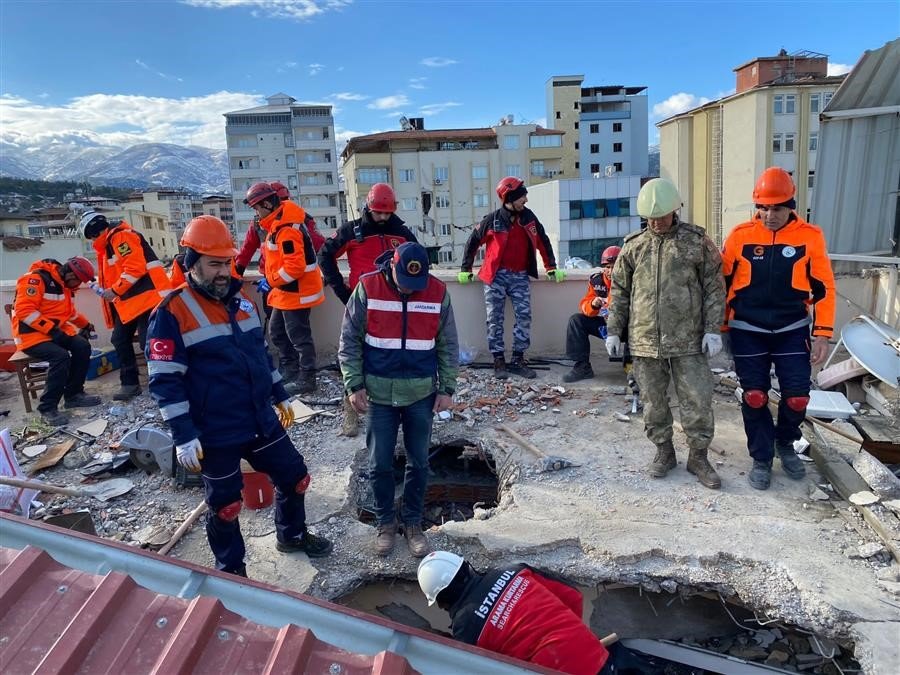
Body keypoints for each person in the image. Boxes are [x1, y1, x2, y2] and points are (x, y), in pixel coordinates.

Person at [146, 215, 332, 576]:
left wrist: (280, 394)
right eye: (214, 264)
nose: (222, 272)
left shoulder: (243, 300)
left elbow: (262, 354)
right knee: (226, 506)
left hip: (259, 418)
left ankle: (291, 535)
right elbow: (165, 382)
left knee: (296, 477)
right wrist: (183, 435)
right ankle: (231, 573)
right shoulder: (171, 313)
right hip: (214, 431)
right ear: (191, 262)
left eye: (226, 262)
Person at [339, 242, 458, 558]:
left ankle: (413, 523)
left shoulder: (436, 292)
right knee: (379, 464)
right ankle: (385, 523)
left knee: (419, 463)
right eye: (405, 281)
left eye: (415, 284)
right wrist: (354, 385)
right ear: (392, 266)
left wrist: (447, 389)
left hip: (421, 394)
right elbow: (348, 341)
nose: (409, 289)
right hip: (378, 394)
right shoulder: (368, 288)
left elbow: (447, 344)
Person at [607, 178, 726, 490]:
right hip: (645, 340)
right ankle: (664, 452)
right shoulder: (633, 247)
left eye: (661, 217)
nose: (656, 223)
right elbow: (619, 292)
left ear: (676, 210)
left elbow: (715, 286)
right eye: (650, 218)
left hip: (688, 339)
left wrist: (714, 329)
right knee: (652, 401)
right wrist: (614, 331)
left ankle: (698, 457)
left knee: (698, 400)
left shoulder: (696, 242)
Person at [722, 167, 836, 490]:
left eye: (777, 208)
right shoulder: (740, 236)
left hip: (791, 327)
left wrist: (823, 333)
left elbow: (824, 288)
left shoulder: (810, 237)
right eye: (764, 208)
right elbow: (721, 284)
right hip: (747, 327)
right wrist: (720, 328)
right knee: (755, 395)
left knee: (798, 396)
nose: (770, 215)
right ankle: (761, 456)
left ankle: (785, 442)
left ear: (791, 205)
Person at [319, 182, 418, 437]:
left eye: (388, 213)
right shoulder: (352, 231)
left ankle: (392, 408)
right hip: (361, 303)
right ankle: (350, 412)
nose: (384, 218)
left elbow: (417, 260)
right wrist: (343, 292)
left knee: (392, 355)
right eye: (379, 213)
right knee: (354, 355)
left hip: (394, 305)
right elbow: (325, 255)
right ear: (369, 208)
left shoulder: (402, 232)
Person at [417, 552, 613, 674]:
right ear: (466, 567)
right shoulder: (513, 571)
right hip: (594, 653)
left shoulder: (466, 628)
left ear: (442, 600)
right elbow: (573, 597)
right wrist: (569, 638)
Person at [459, 177, 564, 380]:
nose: (525, 199)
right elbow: (473, 241)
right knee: (494, 320)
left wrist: (551, 267)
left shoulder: (529, 218)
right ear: (509, 197)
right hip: (495, 276)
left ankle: (517, 359)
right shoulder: (493, 219)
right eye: (521, 195)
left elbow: (543, 241)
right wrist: (466, 268)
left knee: (524, 317)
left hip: (520, 276)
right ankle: (498, 359)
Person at [78, 210, 171, 400]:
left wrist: (115, 290)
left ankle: (164, 386)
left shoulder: (120, 237)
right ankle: (130, 384)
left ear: (93, 234)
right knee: (120, 339)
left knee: (150, 343)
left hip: (148, 299)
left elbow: (134, 268)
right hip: (131, 302)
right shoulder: (110, 244)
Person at [244, 182, 325, 395]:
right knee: (277, 332)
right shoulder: (277, 224)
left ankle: (307, 379)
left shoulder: (287, 229)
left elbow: (295, 267)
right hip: (286, 291)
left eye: (257, 207)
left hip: (297, 292)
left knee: (299, 336)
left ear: (269, 204)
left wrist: (270, 281)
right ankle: (290, 370)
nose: (256, 212)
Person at [12, 257, 102, 426]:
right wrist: (52, 330)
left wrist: (86, 325)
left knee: (82, 347)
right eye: (77, 280)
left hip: (54, 333)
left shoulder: (65, 286)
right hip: (31, 336)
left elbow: (70, 313)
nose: (77, 285)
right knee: (60, 357)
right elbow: (24, 311)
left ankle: (73, 395)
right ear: (68, 272)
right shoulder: (35, 279)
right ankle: (47, 408)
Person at [234, 180, 325, 277]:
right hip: (270, 276)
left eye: (285, 200)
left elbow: (322, 249)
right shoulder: (258, 223)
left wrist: (327, 272)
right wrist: (236, 274)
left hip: (296, 278)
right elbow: (246, 251)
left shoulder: (301, 219)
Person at [563, 246, 621, 383]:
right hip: (605, 324)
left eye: (615, 266)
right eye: (607, 266)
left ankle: (635, 367)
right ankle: (582, 367)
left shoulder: (632, 280)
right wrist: (593, 304)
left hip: (626, 325)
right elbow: (585, 305)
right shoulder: (597, 281)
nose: (611, 271)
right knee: (576, 321)